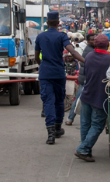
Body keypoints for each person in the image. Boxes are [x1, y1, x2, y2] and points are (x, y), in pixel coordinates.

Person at [35, 11, 85, 145]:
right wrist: (85, 61)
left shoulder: (40, 37)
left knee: (48, 101)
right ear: (58, 22)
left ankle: (50, 133)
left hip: (45, 73)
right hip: (58, 73)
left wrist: (43, 66)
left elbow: (36, 57)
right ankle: (57, 127)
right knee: (58, 100)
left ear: (47, 21)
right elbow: (73, 52)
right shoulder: (62, 36)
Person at [74, 35, 110, 162]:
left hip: (87, 95)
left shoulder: (89, 56)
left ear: (95, 45)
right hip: (100, 97)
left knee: (85, 124)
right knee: (97, 125)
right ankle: (83, 149)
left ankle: (86, 151)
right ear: (107, 45)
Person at [66, 34, 96, 126]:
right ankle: (70, 118)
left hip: (85, 78)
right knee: (79, 99)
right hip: (86, 79)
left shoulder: (90, 49)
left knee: (79, 99)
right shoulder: (89, 51)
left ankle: (70, 119)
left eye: (95, 39)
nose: (93, 41)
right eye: (91, 40)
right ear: (88, 41)